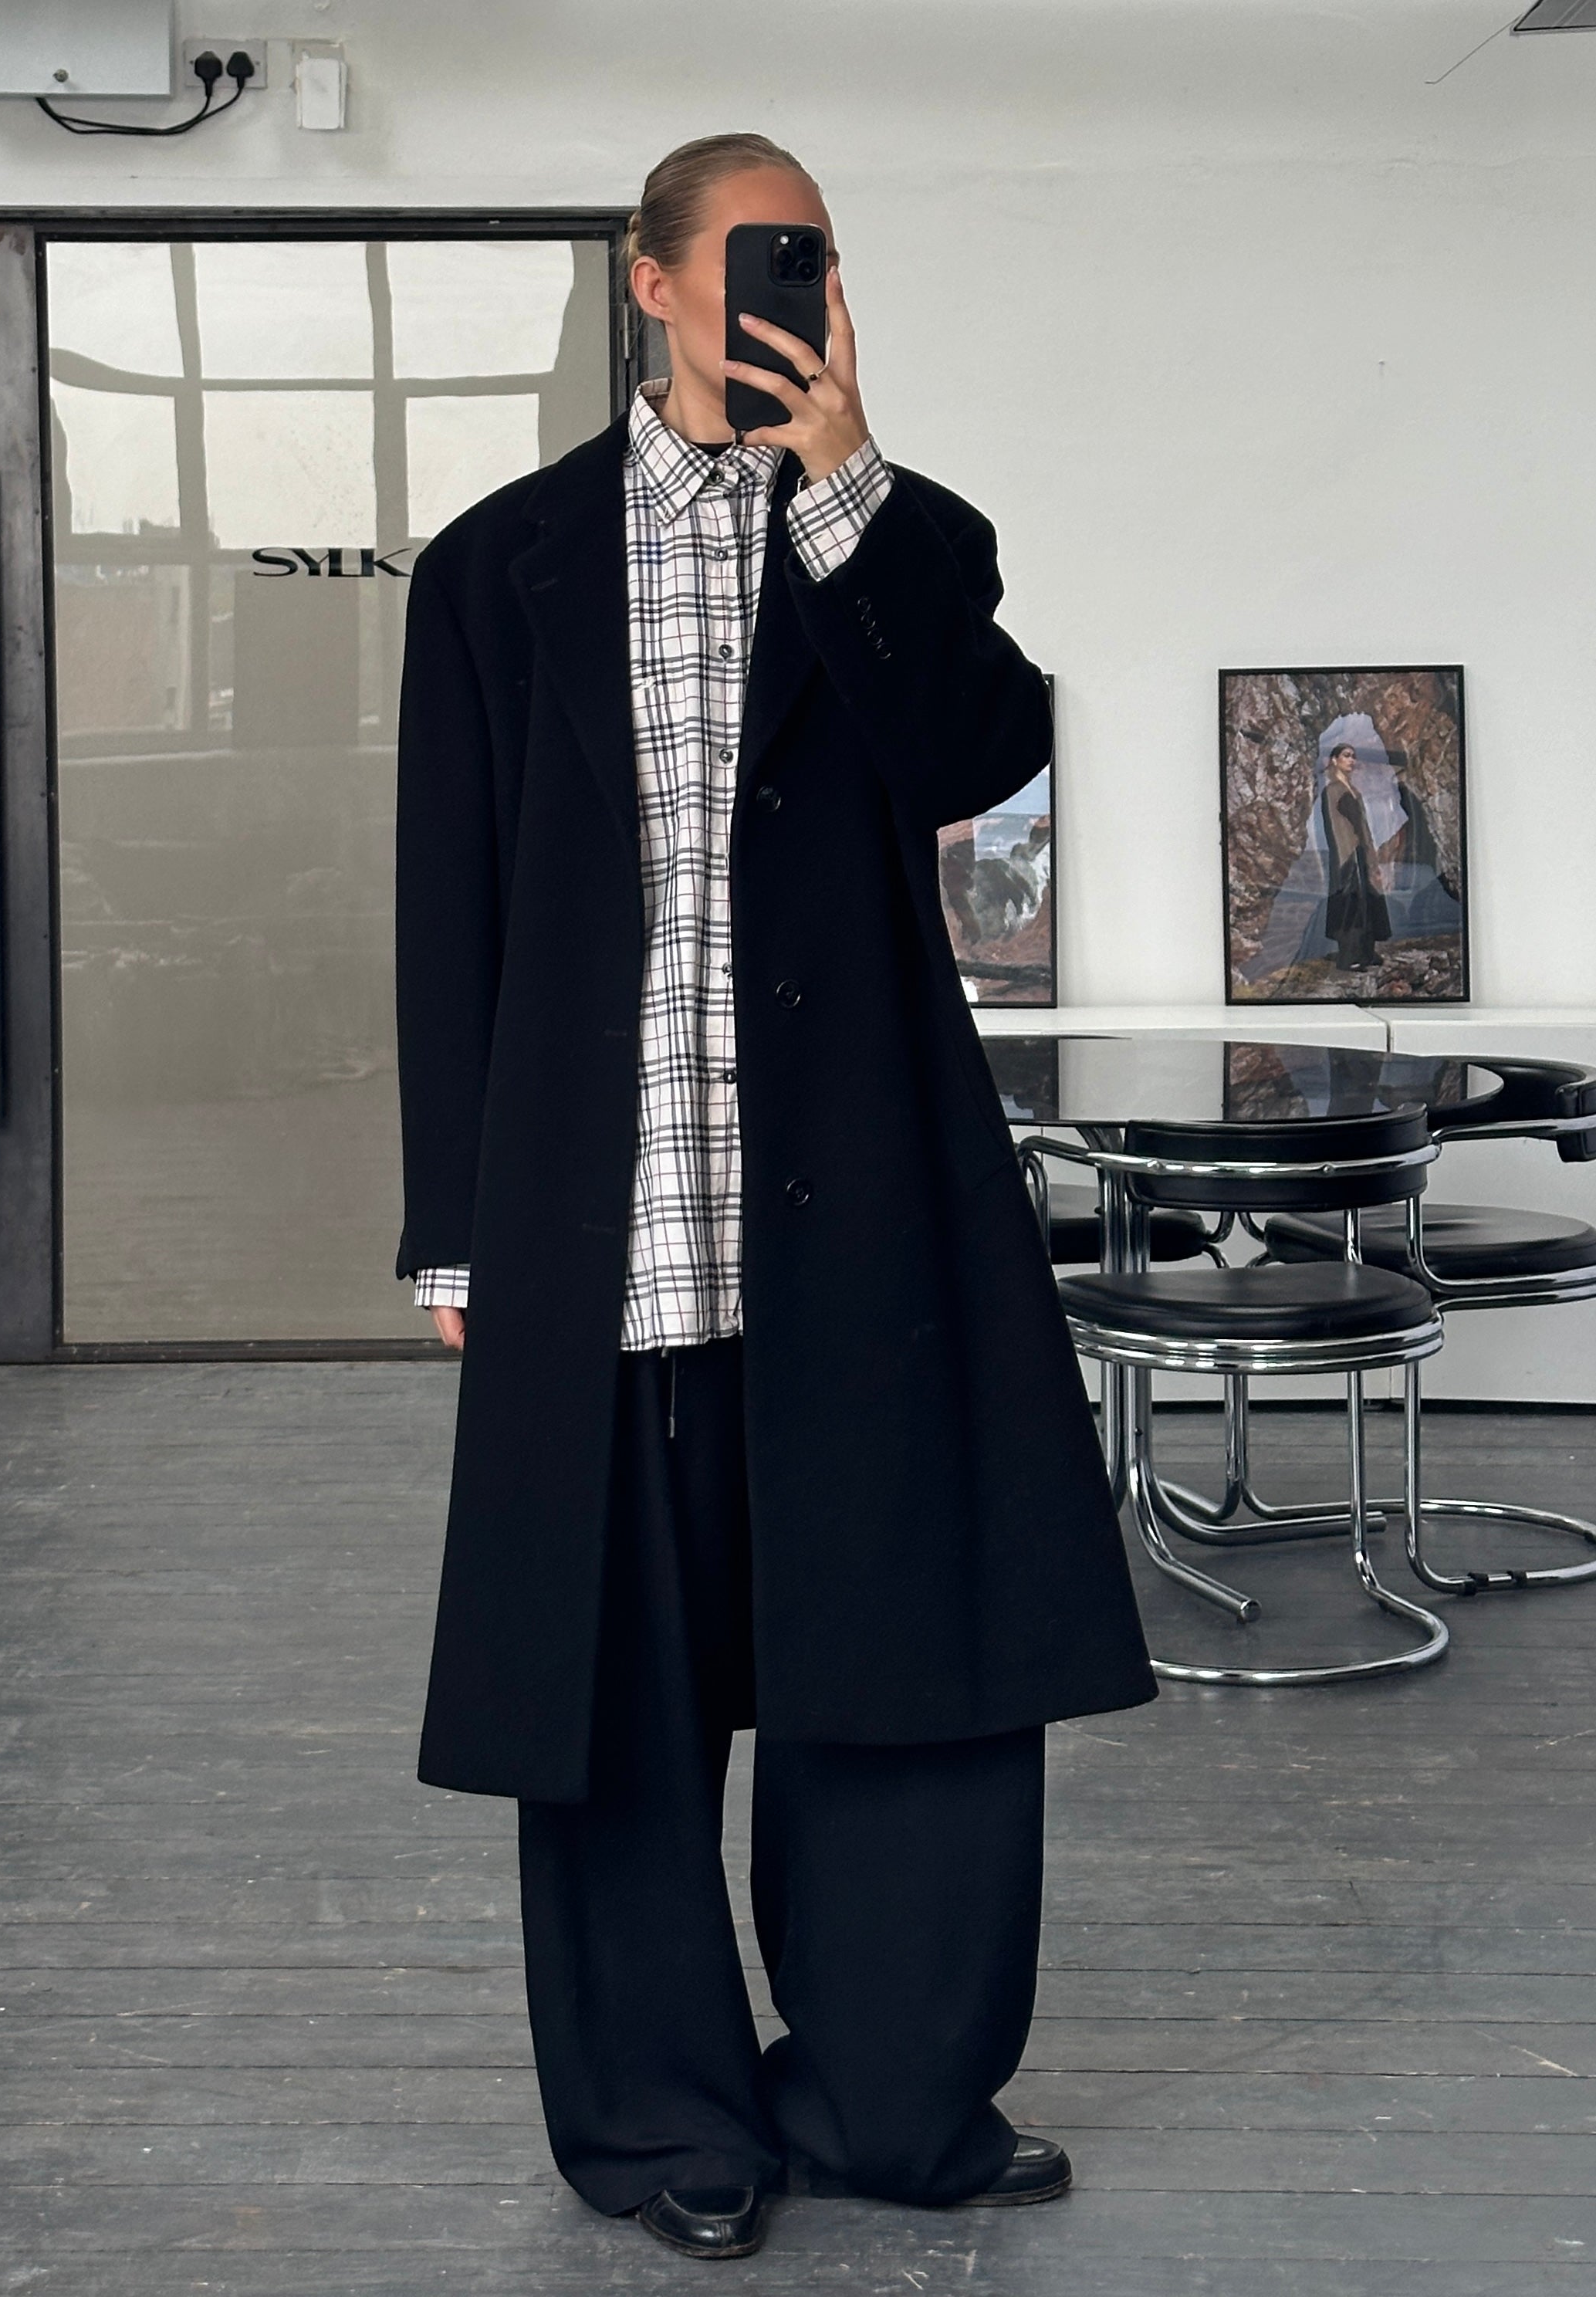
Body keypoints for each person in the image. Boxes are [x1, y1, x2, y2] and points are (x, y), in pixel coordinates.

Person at [393, 130, 1157, 2261]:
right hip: (604, 1223)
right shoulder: (498, 569)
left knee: (903, 1661)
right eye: (752, 258)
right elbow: (450, 908)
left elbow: (978, 755)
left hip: (864, 1217)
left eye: (812, 260)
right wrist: (452, 1218)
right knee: (614, 1706)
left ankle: (894, 2100)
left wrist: (846, 491)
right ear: (651, 283)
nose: (787, 294)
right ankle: (668, 2129)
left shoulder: (904, 534)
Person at [1319, 741, 1392, 971]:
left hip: (1360, 852)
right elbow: (1336, 827)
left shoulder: (1353, 790)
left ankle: (1367, 952)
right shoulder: (1333, 791)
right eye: (1346, 755)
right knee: (1351, 904)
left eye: (1353, 756)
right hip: (1347, 853)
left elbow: (1363, 826)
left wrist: (1371, 856)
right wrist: (1348, 855)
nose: (1351, 760)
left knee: (1367, 901)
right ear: (1335, 760)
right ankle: (1350, 956)